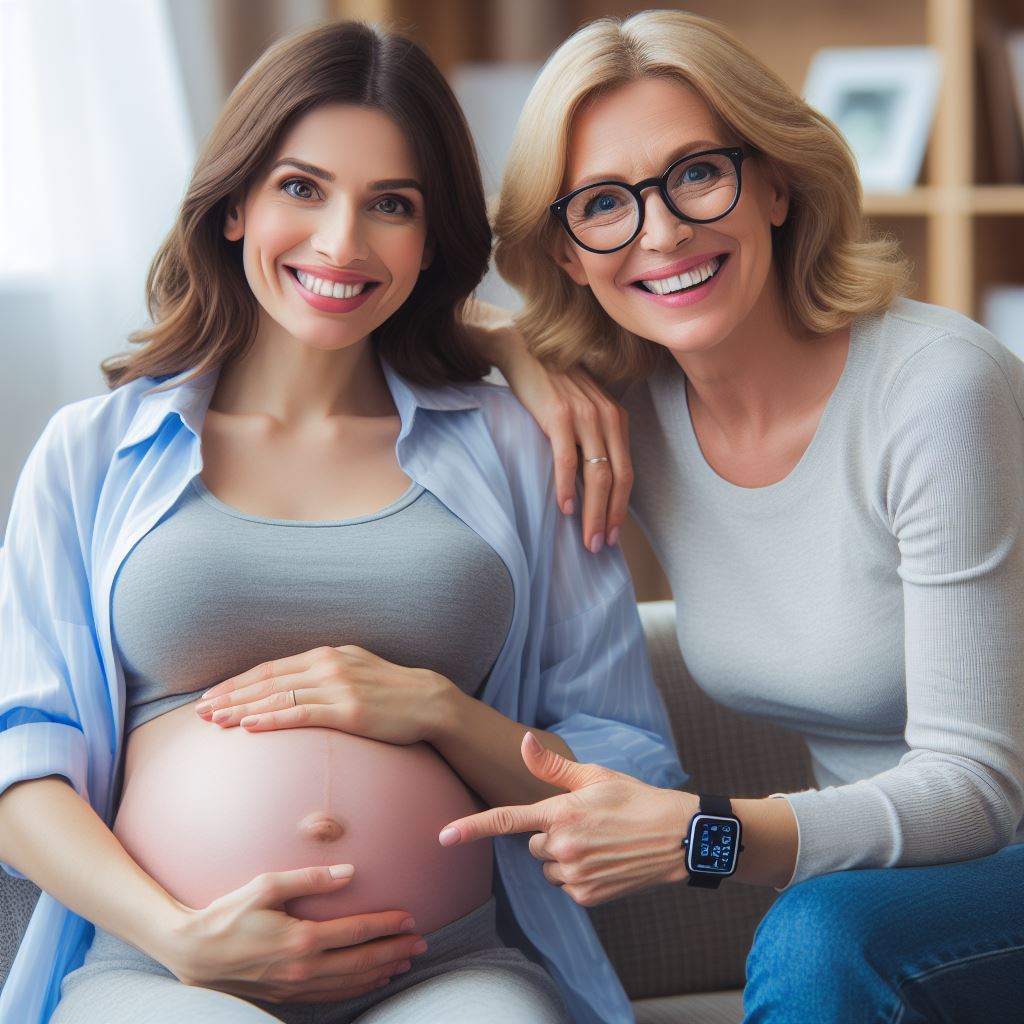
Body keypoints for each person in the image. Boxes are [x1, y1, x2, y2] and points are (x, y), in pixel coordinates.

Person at [0, 21, 683, 1024]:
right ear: (234, 203)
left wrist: (443, 712)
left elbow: (633, 776)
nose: (341, 242)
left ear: (432, 238)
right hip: (165, 973)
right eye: (301, 187)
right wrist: (179, 936)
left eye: (391, 205)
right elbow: (21, 763)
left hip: (451, 969)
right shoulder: (94, 450)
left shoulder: (517, 447)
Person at [441, 10, 1024, 1022]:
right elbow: (377, 309)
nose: (660, 231)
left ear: (775, 182)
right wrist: (509, 346)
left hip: (976, 855)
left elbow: (976, 790)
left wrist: (702, 833)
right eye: (602, 204)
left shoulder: (935, 388)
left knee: (817, 935)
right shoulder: (623, 412)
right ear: (568, 253)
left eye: (696, 174)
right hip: (886, 879)